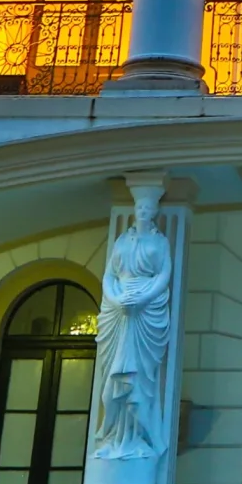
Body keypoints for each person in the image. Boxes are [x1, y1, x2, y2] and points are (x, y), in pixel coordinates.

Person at [91, 185, 174, 461]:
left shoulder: (160, 241)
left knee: (139, 379)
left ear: (154, 212)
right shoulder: (122, 242)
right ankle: (111, 434)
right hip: (120, 310)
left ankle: (143, 438)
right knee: (111, 382)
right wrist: (116, 300)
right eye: (139, 207)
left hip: (144, 309)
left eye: (148, 208)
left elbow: (164, 275)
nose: (142, 211)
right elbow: (109, 276)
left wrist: (142, 299)